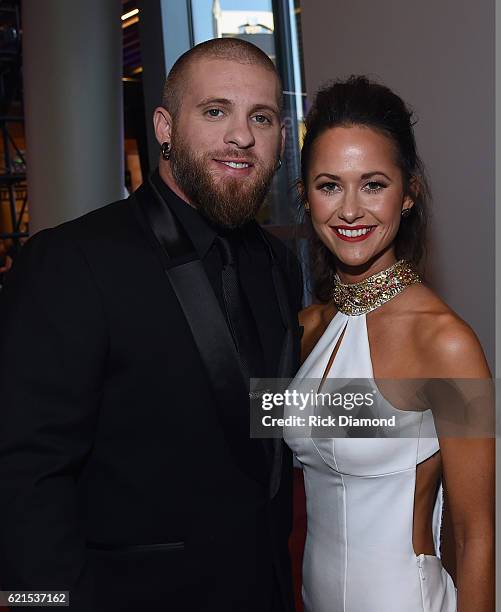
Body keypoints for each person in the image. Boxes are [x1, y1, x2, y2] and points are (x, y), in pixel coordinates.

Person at [0, 38, 303, 612]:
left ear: (281, 139)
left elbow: (264, 413)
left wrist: (455, 402)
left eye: (260, 117)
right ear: (165, 126)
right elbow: (22, 475)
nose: (241, 135)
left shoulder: (276, 263)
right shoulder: (73, 261)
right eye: (215, 111)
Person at [284, 76, 494, 611]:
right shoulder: (306, 328)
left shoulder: (447, 344)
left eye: (373, 184)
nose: (350, 210)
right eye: (329, 185)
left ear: (408, 194)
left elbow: (476, 535)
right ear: (305, 197)